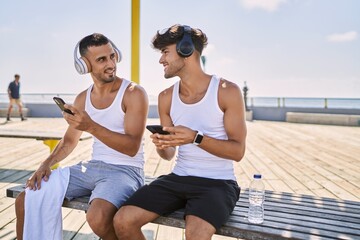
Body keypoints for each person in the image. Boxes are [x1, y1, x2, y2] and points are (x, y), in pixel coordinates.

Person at [114, 24, 247, 240]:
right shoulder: (166, 97)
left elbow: (237, 151)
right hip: (179, 178)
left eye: (165, 52)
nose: (161, 60)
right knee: (123, 220)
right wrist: (162, 145)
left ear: (186, 50)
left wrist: (196, 138)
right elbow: (168, 155)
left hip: (218, 183)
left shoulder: (226, 91)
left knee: (195, 235)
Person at [15, 33, 148, 240]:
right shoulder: (83, 98)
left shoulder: (133, 93)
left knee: (97, 216)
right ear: (84, 66)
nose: (111, 63)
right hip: (92, 167)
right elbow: (69, 141)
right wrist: (46, 164)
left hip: (126, 171)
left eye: (112, 56)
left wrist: (91, 126)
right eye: (102, 60)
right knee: (26, 199)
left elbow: (131, 147)